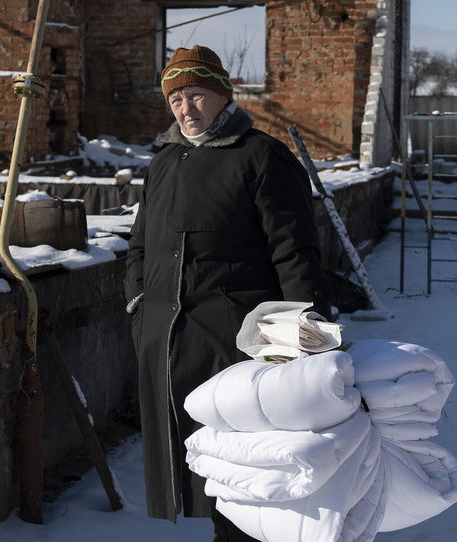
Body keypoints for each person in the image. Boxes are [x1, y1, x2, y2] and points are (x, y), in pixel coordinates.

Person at [124, 45, 330, 541]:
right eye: (176, 99)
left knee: (244, 465)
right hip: (168, 339)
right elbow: (140, 244)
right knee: (192, 460)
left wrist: (303, 334)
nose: (186, 109)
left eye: (196, 95)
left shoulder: (262, 156)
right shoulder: (164, 162)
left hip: (236, 340)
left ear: (223, 96)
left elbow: (294, 251)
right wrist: (138, 304)